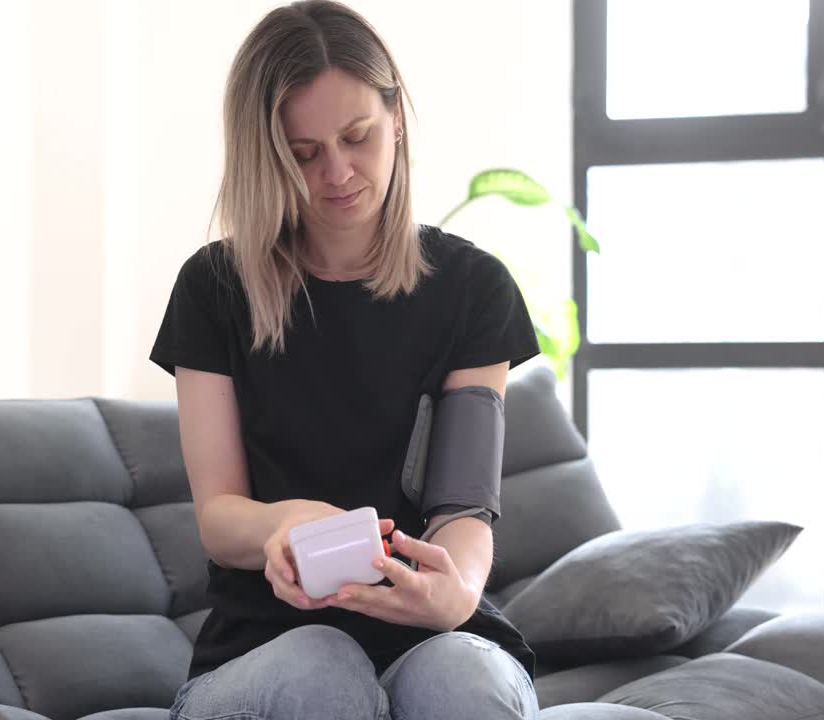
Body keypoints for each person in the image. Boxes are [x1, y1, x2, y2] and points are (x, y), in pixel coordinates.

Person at [150, 2, 541, 718]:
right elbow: (219, 516)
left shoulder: (471, 290)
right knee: (320, 669)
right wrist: (280, 524)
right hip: (262, 653)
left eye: (357, 136)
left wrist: (456, 591)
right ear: (265, 155)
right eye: (303, 153)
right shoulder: (213, 290)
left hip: (433, 639)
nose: (337, 173)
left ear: (396, 117)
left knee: (465, 680)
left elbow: (464, 508)